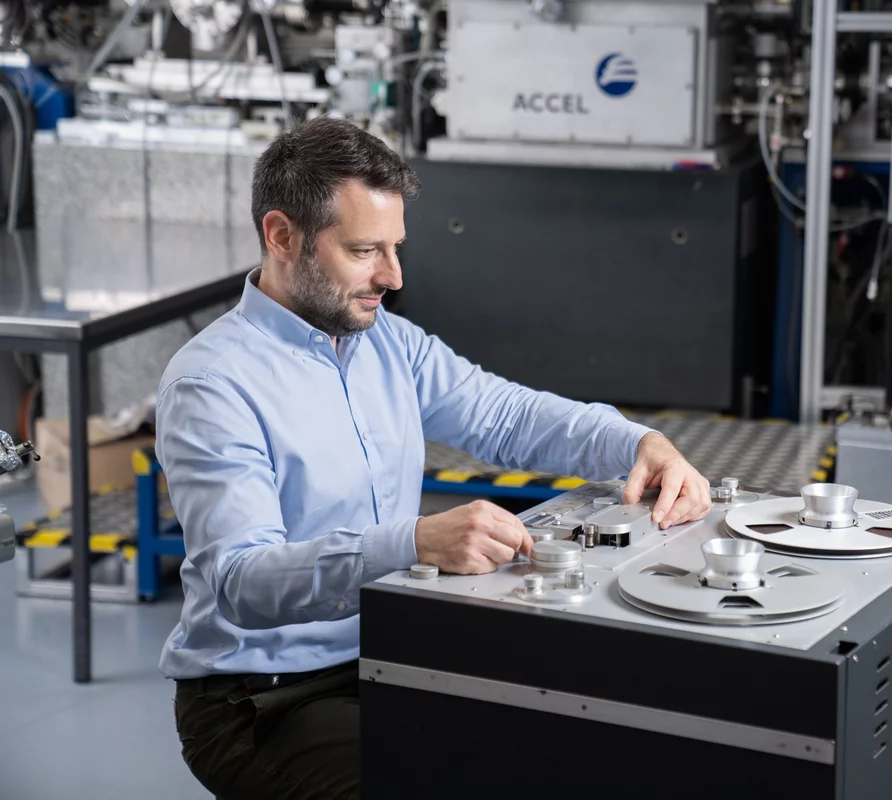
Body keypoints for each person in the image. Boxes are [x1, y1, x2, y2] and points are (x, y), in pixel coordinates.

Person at [158, 116, 713, 800]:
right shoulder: (213, 384)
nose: (391, 276)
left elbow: (505, 414)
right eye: (365, 250)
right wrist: (414, 542)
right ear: (281, 235)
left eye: (395, 248)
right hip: (262, 701)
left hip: (394, 653)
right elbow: (243, 582)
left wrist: (636, 443)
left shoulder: (388, 343)